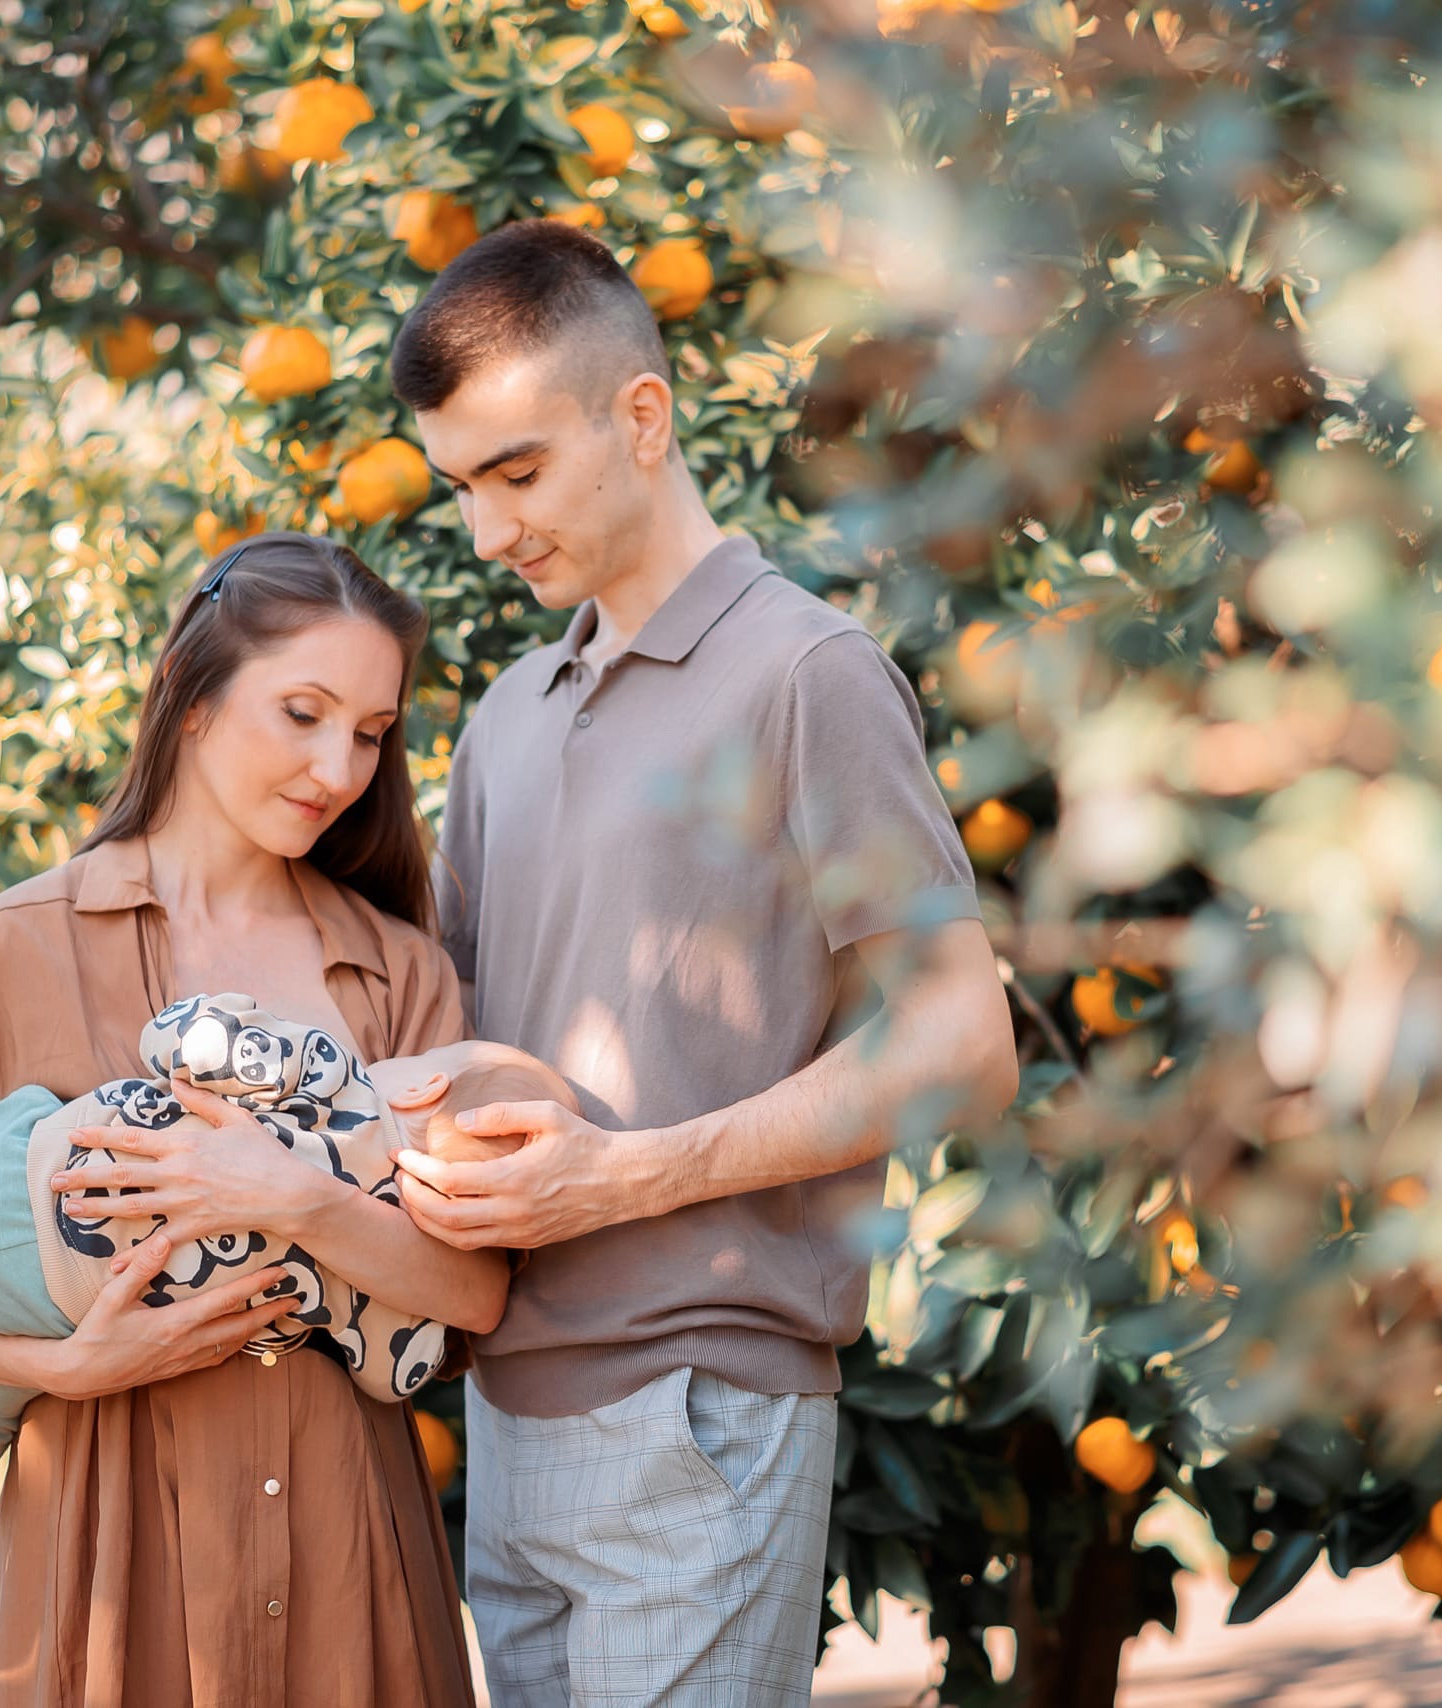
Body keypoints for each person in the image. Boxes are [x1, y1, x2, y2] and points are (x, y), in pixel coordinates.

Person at [386, 221, 1020, 1705]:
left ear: (643, 417)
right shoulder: (505, 719)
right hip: (506, 1419)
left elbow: (961, 1045)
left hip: (702, 1408)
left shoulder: (807, 674)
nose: (486, 533)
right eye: (460, 488)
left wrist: (628, 1177)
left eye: (517, 473)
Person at [0, 532, 504, 1707]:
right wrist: (52, 1364)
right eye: (303, 712)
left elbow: (471, 1295)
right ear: (190, 695)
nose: (339, 767)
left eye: (371, 732)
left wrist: (295, 1197)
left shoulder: (402, 971)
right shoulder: (8, 950)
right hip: (99, 1569)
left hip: (351, 1565)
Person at [0, 988, 571, 1600]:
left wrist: (229, 1017)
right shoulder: (390, 1273)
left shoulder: (336, 1082)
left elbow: (175, 1039)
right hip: (64, 1310)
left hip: (15, 1184)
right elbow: (394, 1375)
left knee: (21, 1124)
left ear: (424, 1088)